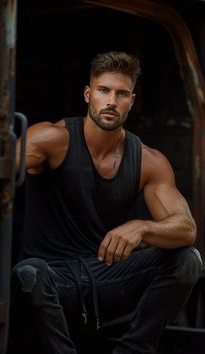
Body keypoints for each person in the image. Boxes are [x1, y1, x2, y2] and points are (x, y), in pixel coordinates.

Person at [10, 51, 202, 354]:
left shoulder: (148, 161)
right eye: (103, 90)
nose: (112, 100)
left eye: (121, 93)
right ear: (88, 94)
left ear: (132, 100)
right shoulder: (51, 139)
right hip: (51, 282)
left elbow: (186, 229)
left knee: (187, 260)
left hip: (106, 278)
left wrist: (141, 228)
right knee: (29, 273)